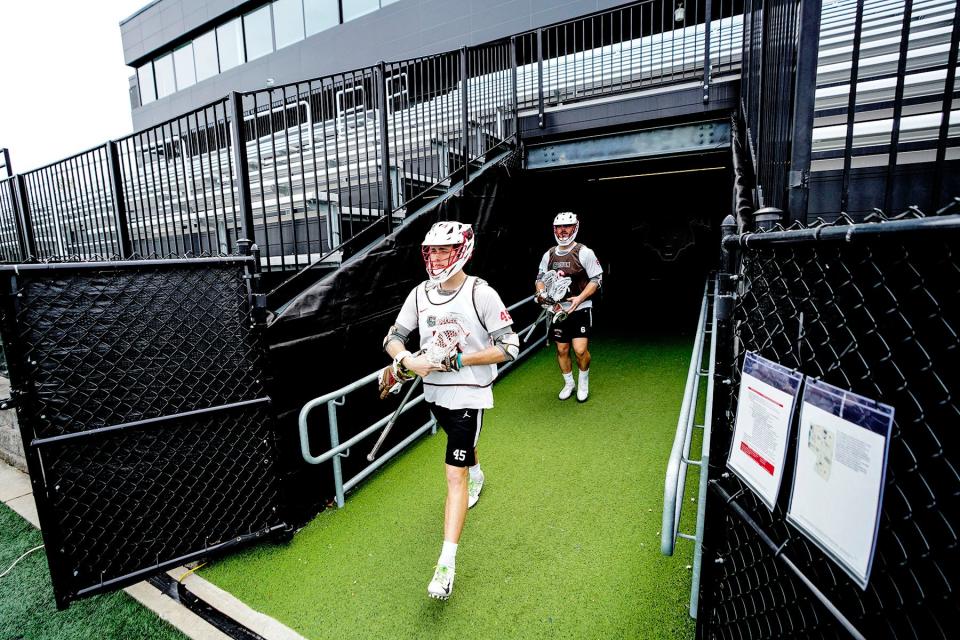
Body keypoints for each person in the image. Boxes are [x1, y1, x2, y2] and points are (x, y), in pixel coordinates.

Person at [382, 220, 519, 600]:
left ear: (462, 250)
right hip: (435, 396)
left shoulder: (481, 293)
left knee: (451, 475)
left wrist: (459, 360)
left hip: (469, 396)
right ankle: (476, 470)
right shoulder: (420, 294)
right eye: (432, 251)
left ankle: (446, 565)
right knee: (463, 456)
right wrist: (406, 360)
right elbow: (393, 337)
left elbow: (510, 346)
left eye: (445, 250)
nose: (437, 257)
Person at [535, 212, 603, 402]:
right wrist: (541, 295)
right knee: (562, 350)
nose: (563, 230)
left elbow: (596, 279)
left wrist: (579, 299)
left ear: (575, 227)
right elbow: (540, 278)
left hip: (580, 308)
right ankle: (569, 383)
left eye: (567, 226)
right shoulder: (549, 254)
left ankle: (583, 383)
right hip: (558, 310)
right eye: (559, 227)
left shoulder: (584, 252)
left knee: (580, 350)